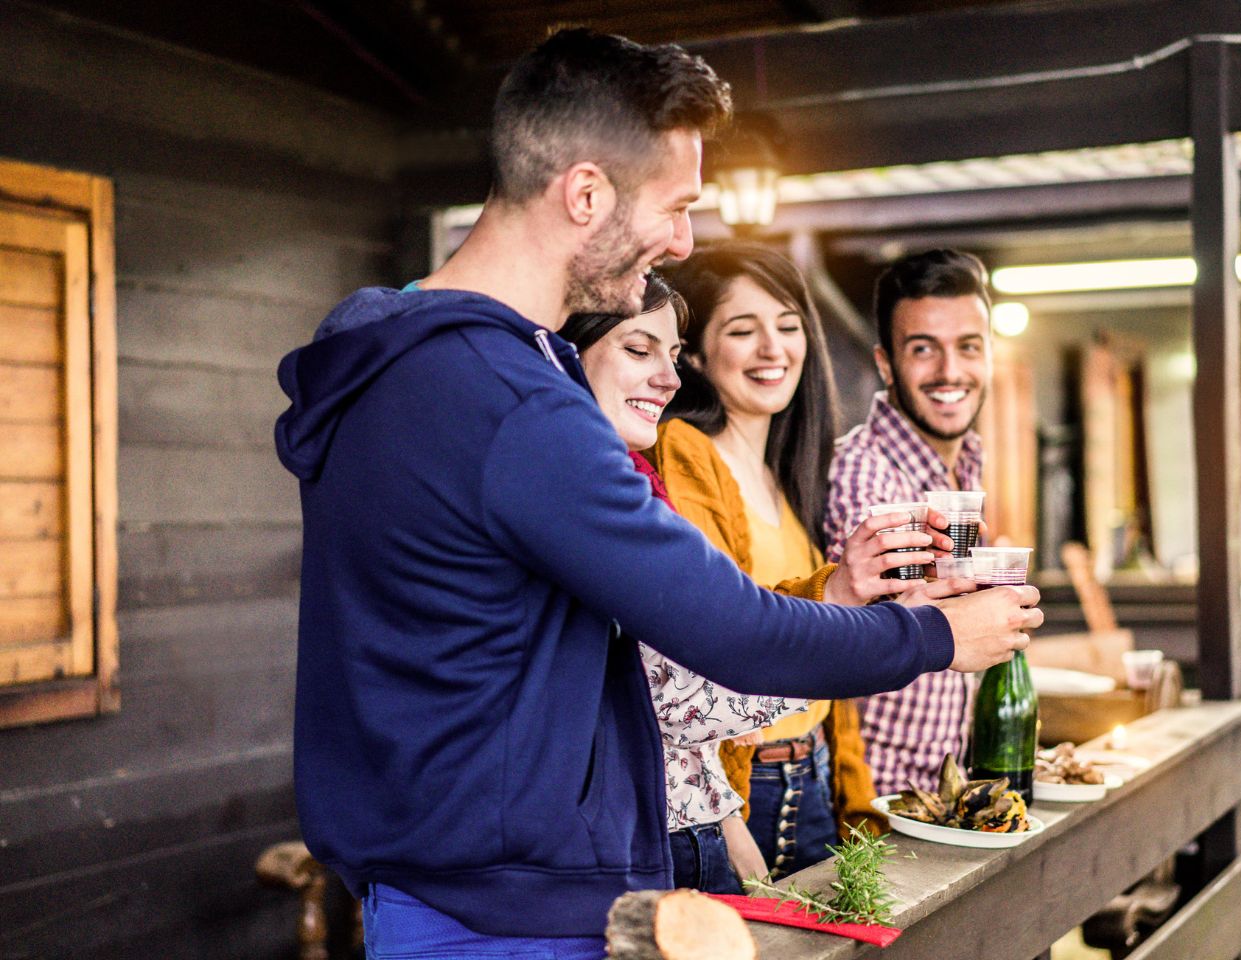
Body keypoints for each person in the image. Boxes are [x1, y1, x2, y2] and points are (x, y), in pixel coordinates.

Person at [276, 30, 1040, 959]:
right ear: (586, 193)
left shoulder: (405, 358)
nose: (683, 240)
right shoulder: (509, 404)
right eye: (675, 206)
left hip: (428, 894)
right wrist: (939, 637)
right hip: (512, 922)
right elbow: (729, 629)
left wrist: (836, 600)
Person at [655, 242, 948, 880]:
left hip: (809, 770)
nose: (774, 349)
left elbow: (827, 656)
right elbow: (697, 649)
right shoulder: (685, 453)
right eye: (743, 329)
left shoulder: (787, 469)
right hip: (743, 788)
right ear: (696, 354)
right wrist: (726, 822)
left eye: (788, 327)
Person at [565, 275, 803, 894]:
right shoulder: (580, 494)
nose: (670, 380)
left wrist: (720, 812)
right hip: (635, 840)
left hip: (684, 820)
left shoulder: (634, 476)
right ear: (567, 351)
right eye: (638, 350)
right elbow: (674, 689)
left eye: (670, 356)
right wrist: (856, 639)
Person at [825, 248, 997, 797]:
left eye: (968, 347)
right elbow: (867, 634)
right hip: (877, 807)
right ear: (885, 363)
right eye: (924, 350)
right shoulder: (864, 474)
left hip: (944, 786)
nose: (951, 371)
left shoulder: (964, 464)